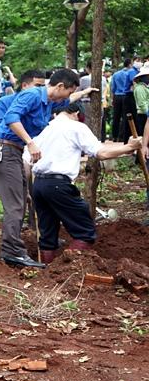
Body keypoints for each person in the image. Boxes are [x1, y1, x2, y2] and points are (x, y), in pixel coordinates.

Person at [27, 102, 142, 264]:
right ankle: (62, 267)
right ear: (75, 112)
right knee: (85, 232)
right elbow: (101, 153)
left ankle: (47, 270)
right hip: (58, 185)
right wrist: (129, 147)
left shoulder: (44, 131)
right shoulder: (76, 127)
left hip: (38, 185)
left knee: (48, 235)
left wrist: (27, 191)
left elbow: (26, 161)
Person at [0, 68, 82, 268]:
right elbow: (11, 118)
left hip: (14, 153)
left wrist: (87, 90)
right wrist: (30, 143)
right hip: (5, 151)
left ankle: (12, 249)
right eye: (67, 92)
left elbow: (71, 97)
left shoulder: (50, 102)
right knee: (15, 206)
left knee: (21, 203)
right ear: (59, 86)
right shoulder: (32, 95)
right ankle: (12, 252)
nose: (66, 100)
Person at [0, 70, 44, 247]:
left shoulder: (39, 104)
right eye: (38, 86)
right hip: (2, 150)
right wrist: (21, 135)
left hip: (25, 151)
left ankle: (31, 229)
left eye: (43, 86)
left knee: (25, 190)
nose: (41, 90)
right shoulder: (5, 102)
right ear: (25, 85)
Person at [133, 65, 149, 139]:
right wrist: (147, 113)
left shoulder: (144, 87)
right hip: (143, 114)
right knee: (144, 135)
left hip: (145, 114)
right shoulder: (140, 88)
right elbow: (142, 104)